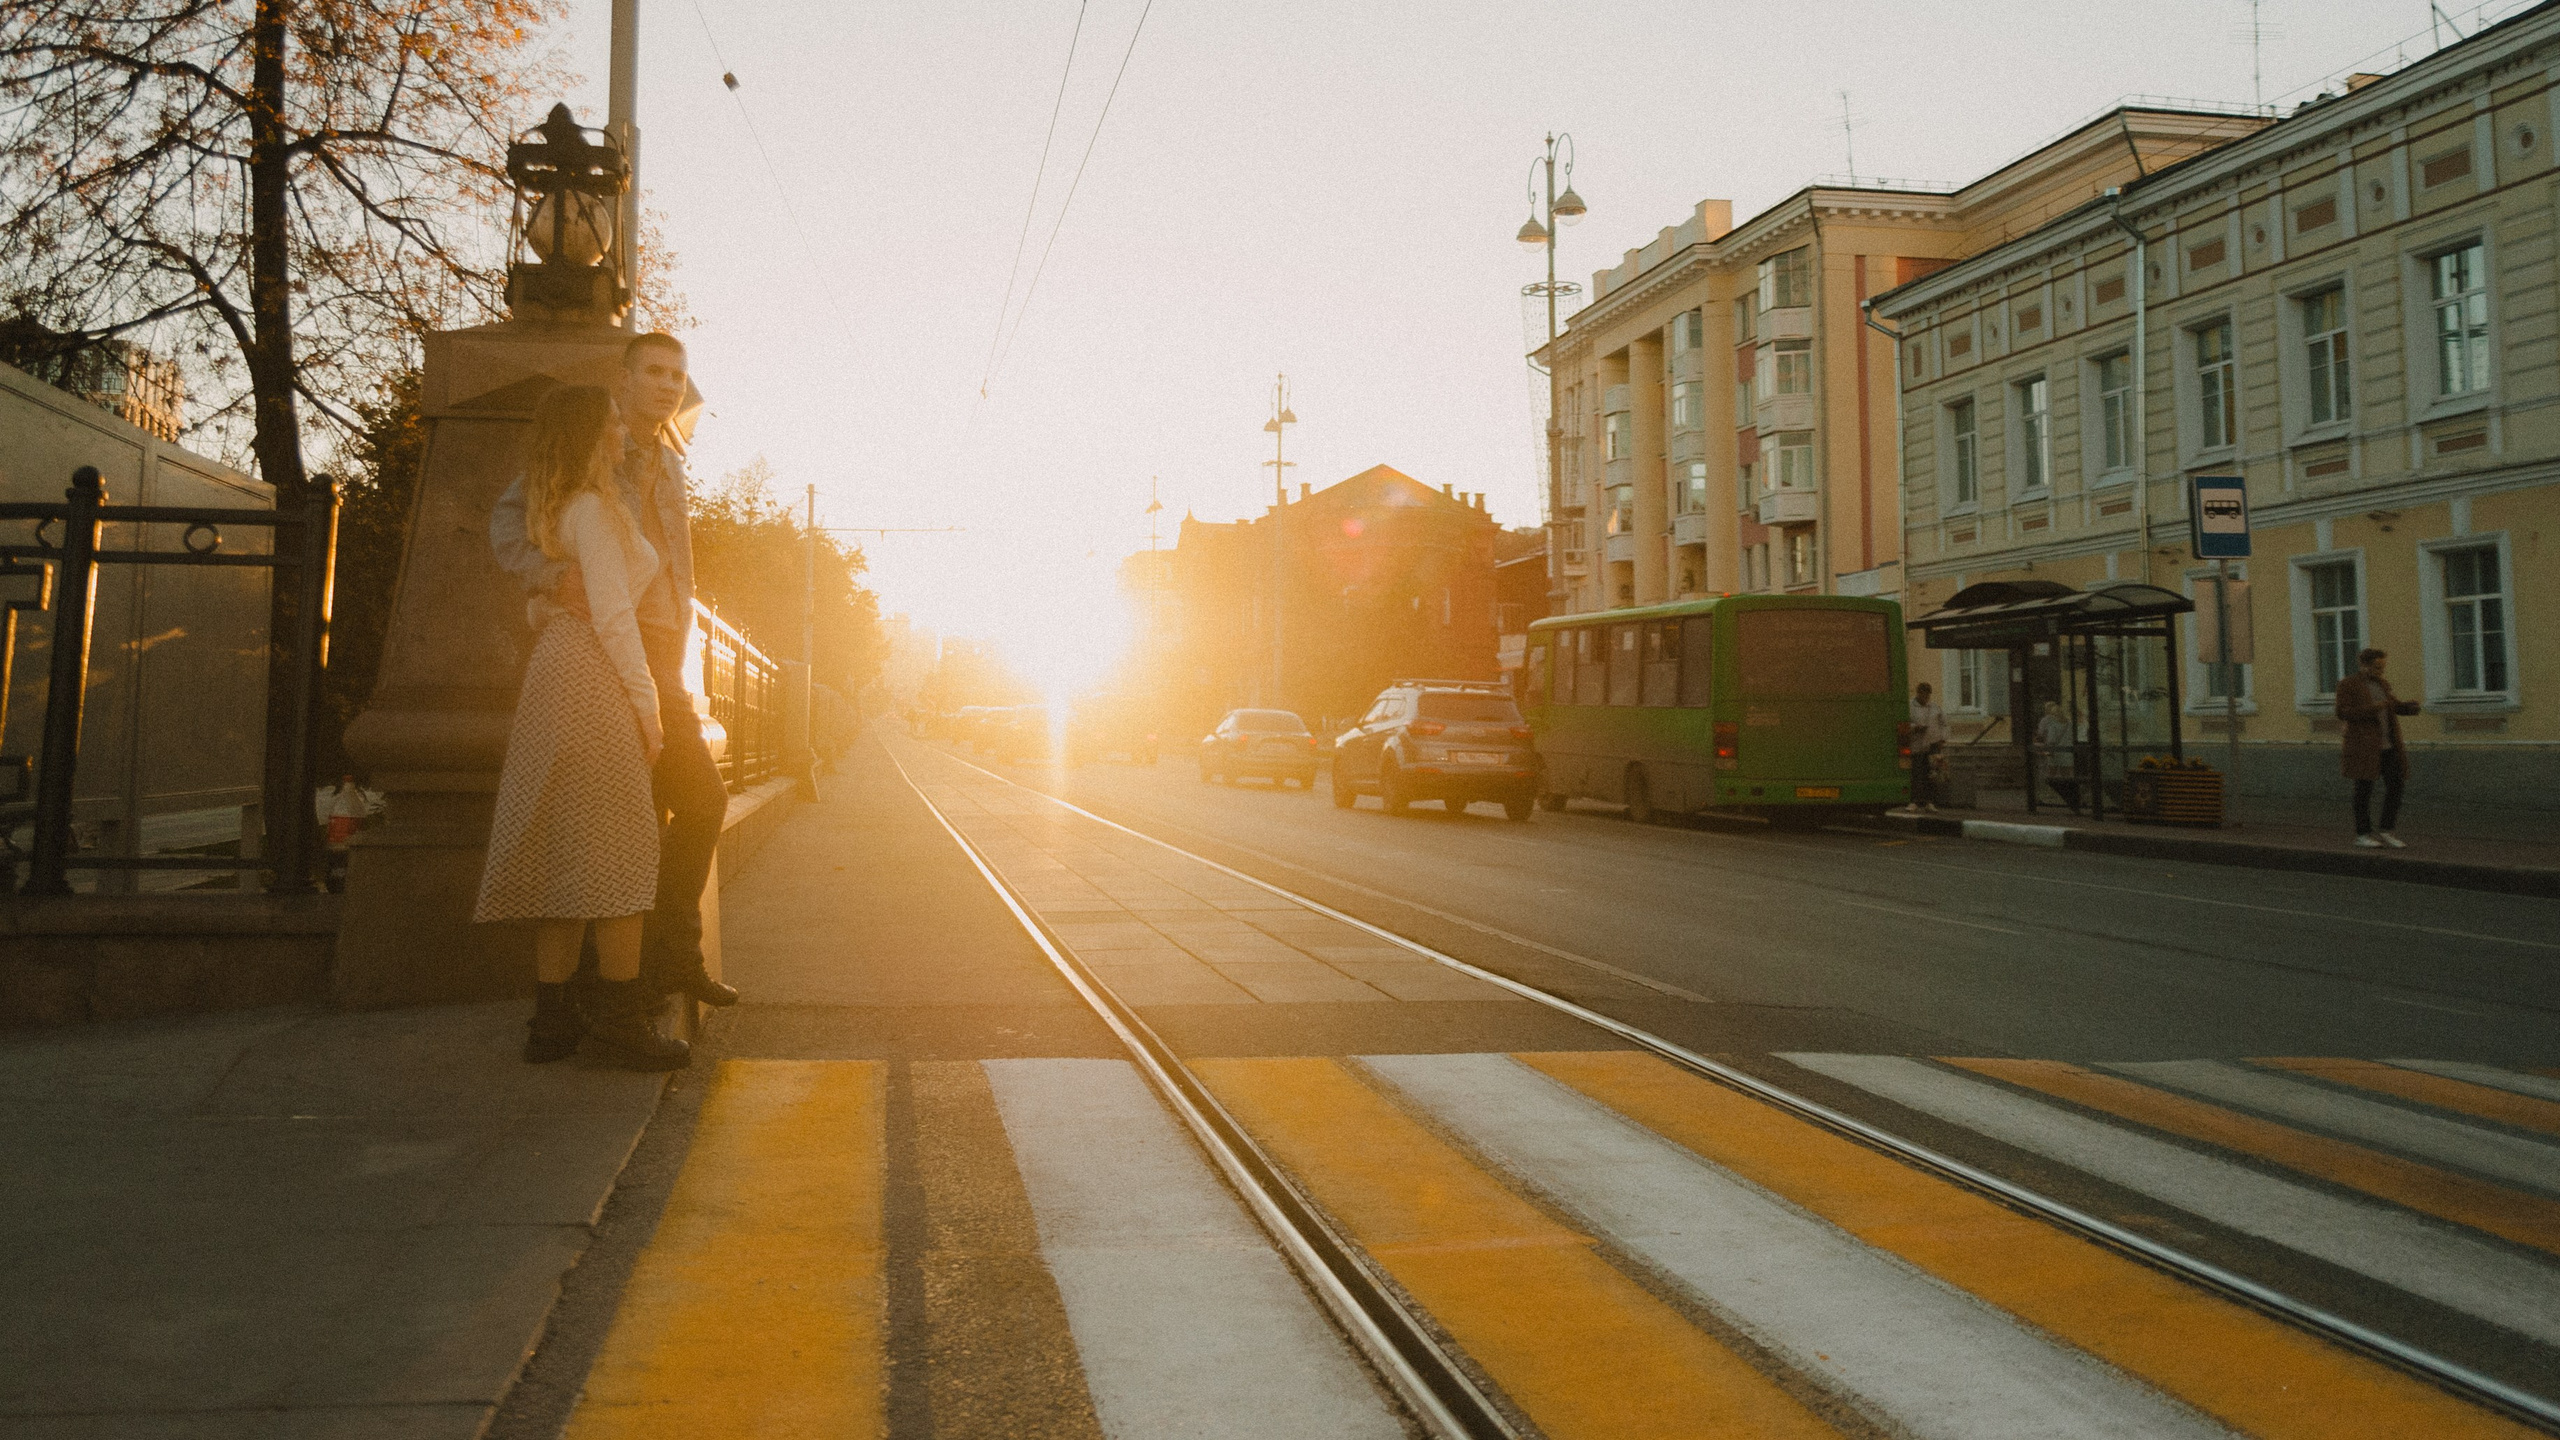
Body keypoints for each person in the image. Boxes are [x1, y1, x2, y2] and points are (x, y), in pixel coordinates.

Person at [491, 332, 740, 1010]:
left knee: (687, 805)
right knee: (647, 814)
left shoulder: (671, 460)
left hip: (662, 651)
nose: (666, 385)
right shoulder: (593, 447)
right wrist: (550, 578)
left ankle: (667, 961)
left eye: (677, 375)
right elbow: (509, 521)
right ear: (623, 382)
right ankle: (628, 982)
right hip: (609, 652)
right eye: (653, 372)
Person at [475, 385, 688, 1069]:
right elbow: (613, 615)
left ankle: (553, 1021)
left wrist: (546, 614)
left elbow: (559, 604)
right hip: (594, 676)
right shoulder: (595, 509)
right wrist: (648, 706)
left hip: (556, 673)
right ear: (592, 435)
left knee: (564, 846)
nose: (623, 431)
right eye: (612, 423)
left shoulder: (567, 507)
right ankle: (622, 1023)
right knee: (622, 847)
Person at [2336, 646, 2420, 848]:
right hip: (2364, 746)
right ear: (2363, 665)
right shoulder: (2349, 684)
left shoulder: (2382, 684)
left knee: (2396, 785)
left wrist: (2408, 708)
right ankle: (2363, 834)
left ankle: (2387, 830)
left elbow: (2392, 705)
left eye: (2382, 667)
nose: (2380, 671)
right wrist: (2375, 708)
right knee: (2364, 790)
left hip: (2388, 745)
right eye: (2376, 667)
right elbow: (2343, 712)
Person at [1904, 682, 1949, 813]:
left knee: (1932, 774)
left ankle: (1930, 802)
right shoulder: (1910, 706)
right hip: (1916, 744)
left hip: (1933, 744)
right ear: (1918, 693)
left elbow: (1944, 724)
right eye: (1923, 694)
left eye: (1928, 694)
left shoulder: (1935, 707)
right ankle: (1914, 802)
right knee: (1917, 773)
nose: (1925, 697)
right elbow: (1904, 723)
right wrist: (1915, 727)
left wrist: (1942, 739)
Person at [2034, 702, 2081, 814]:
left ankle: (2051, 794)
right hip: (2067, 753)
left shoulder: (2053, 725)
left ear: (2054, 714)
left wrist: (2045, 748)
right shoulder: (2069, 723)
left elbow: (2051, 740)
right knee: (2066, 775)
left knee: (2051, 774)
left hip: (2055, 753)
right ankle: (2069, 796)